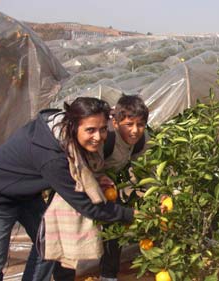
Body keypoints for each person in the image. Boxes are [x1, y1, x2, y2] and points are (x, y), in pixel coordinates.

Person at [0, 97, 136, 281]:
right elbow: (87, 206)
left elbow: (78, 168)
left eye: (103, 129)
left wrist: (95, 178)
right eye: (90, 130)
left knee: (50, 245)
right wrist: (131, 215)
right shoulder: (51, 157)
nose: (98, 137)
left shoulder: (65, 136)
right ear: (73, 125)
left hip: (27, 194)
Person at [98, 94, 149, 281]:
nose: (135, 131)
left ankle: (108, 275)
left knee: (115, 223)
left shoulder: (142, 140)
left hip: (109, 186)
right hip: (86, 182)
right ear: (116, 122)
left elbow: (148, 172)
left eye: (140, 125)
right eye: (129, 124)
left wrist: (159, 194)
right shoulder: (105, 137)